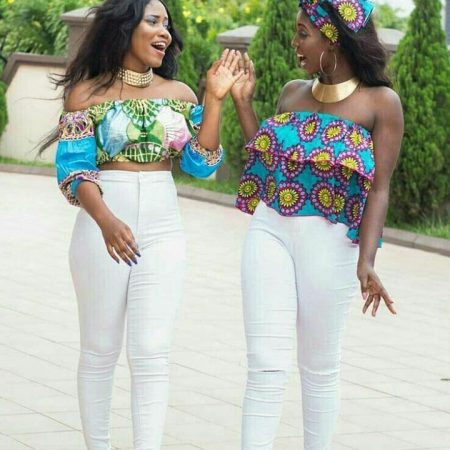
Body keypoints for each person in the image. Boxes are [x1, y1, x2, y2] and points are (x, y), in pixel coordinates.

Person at [42, 0, 243, 448]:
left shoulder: (180, 93)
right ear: (125, 27)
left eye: (167, 24)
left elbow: (200, 164)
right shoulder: (85, 95)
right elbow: (74, 171)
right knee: (99, 349)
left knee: (152, 351)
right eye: (153, 21)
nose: (164, 32)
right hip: (102, 227)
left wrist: (214, 99)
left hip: (163, 227)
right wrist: (106, 221)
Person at [230, 0, 404, 448]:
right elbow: (267, 164)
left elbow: (379, 189)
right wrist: (243, 104)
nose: (295, 42)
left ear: (333, 38)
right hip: (269, 230)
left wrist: (367, 261)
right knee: (265, 362)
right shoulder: (292, 93)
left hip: (331, 244)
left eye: (303, 33)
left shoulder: (380, 103)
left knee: (319, 368)